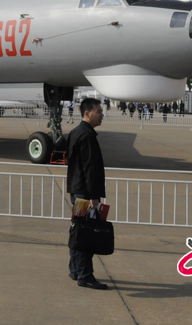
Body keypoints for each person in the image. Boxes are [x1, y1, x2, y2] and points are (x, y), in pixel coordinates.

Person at [66, 98, 108, 290]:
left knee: (78, 230)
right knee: (86, 233)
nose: (101, 115)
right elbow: (90, 168)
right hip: (85, 193)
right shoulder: (87, 136)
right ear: (87, 113)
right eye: (98, 111)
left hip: (77, 190)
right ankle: (85, 275)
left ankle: (75, 269)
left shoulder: (76, 132)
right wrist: (94, 197)